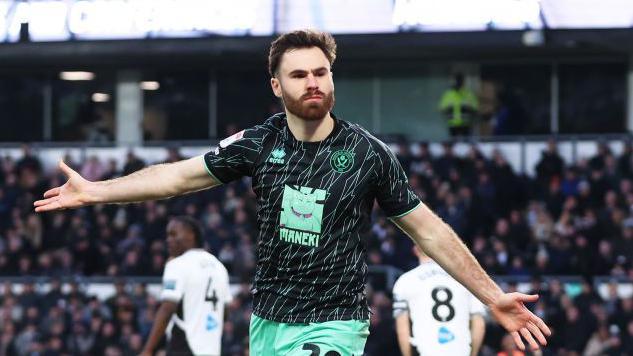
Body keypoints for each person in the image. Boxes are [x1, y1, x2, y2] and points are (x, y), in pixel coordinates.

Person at [35, 29, 550, 355]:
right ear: (276, 86)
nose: (313, 83)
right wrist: (96, 192)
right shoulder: (259, 143)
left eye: (321, 73)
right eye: (299, 74)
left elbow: (429, 231)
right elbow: (178, 176)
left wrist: (492, 296)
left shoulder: (368, 154)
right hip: (269, 322)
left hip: (336, 321)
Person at [139, 216, 231, 356]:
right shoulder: (219, 267)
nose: (168, 239)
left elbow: (167, 308)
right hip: (212, 349)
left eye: (173, 234)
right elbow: (224, 312)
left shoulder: (177, 265)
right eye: (168, 235)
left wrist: (148, 349)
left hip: (184, 347)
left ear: (191, 234)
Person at [393, 246, 485, 356]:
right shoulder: (467, 278)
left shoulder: (405, 281)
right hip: (460, 351)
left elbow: (403, 329)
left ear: (415, 250)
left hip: (426, 351)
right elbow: (479, 323)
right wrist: (473, 354)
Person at [438, 72, 479, 137]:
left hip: (466, 125)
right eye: (457, 80)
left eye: (460, 80)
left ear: (463, 82)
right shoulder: (448, 94)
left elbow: (475, 108)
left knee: (466, 145)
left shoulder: (469, 94)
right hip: (452, 125)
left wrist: (468, 108)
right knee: (453, 145)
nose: (458, 82)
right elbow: (442, 109)